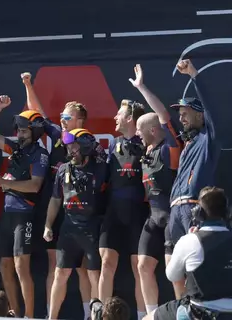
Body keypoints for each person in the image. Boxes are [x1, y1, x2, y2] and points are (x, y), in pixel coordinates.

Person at [23, 72, 96, 318]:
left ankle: (89, 314)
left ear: (80, 120)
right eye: (62, 116)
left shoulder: (90, 144)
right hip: (58, 212)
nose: (62, 120)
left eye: (67, 116)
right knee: (57, 267)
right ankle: (49, 315)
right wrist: (27, 85)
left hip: (85, 215)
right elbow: (40, 116)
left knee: (85, 269)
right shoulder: (58, 136)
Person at [0, 95, 49, 318]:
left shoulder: (40, 154)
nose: (19, 134)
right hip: (7, 214)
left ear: (35, 132)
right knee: (5, 266)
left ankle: (29, 316)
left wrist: (5, 183)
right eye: (18, 130)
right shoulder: (16, 148)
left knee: (21, 267)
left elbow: (35, 185)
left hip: (25, 214)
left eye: (23, 131)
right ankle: (14, 312)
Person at [129, 64, 183, 313]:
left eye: (140, 131)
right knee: (143, 266)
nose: (137, 135)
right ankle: (151, 314)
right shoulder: (146, 150)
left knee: (175, 272)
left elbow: (162, 116)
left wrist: (141, 88)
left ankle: (183, 313)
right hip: (153, 217)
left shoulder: (169, 147)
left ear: (152, 131)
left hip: (173, 218)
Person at [44, 129, 106, 320]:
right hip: (68, 228)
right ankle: (51, 317)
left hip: (91, 228)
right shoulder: (63, 169)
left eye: (75, 146)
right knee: (60, 273)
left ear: (86, 147)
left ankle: (94, 317)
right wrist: (48, 225)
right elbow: (55, 199)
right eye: (69, 146)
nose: (71, 150)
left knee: (94, 275)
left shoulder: (99, 167)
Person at [145, 187, 232, 320]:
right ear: (227, 212)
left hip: (200, 313)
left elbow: (172, 275)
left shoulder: (190, 241)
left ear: (198, 213)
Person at [99, 98, 147, 318]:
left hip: (137, 213)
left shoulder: (145, 142)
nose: (115, 117)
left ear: (130, 119)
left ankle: (144, 315)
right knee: (106, 263)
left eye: (119, 114)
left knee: (140, 268)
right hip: (113, 212)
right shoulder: (114, 144)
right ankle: (102, 314)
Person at [168, 59, 221, 252]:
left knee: (197, 267)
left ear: (200, 116)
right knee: (177, 269)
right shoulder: (187, 143)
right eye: (179, 114)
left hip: (195, 209)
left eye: (185, 113)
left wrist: (194, 75)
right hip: (174, 211)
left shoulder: (208, 139)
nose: (180, 118)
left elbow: (211, 109)